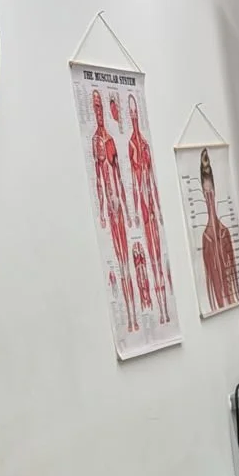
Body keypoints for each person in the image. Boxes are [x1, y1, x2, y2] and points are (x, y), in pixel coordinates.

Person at [91, 88, 136, 333]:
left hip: (119, 208)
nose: (99, 113)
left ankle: (133, 315)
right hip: (109, 209)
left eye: (101, 108)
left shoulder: (110, 142)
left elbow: (118, 178)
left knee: (128, 262)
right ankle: (129, 316)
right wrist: (100, 212)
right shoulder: (96, 143)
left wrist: (128, 213)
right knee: (120, 264)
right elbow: (99, 180)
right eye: (96, 108)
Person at [128, 94, 173, 325]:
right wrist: (134, 212)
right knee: (150, 259)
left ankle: (164, 309)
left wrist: (157, 207)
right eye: (132, 113)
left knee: (157, 258)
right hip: (143, 207)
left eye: (135, 114)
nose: (134, 118)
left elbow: (151, 183)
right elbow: (134, 184)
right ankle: (143, 314)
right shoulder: (131, 146)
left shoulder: (144, 144)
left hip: (150, 205)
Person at [199, 147, 239, 311]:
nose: (209, 195)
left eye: (211, 192)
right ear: (203, 194)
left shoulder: (224, 232)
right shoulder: (207, 237)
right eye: (206, 192)